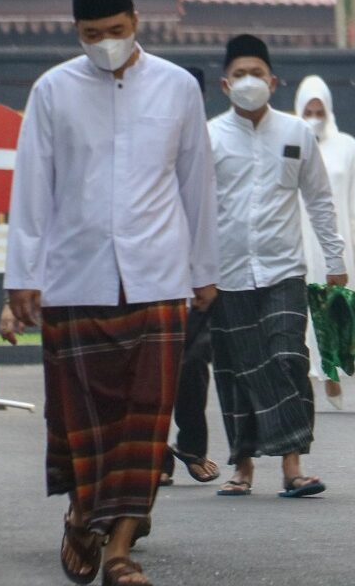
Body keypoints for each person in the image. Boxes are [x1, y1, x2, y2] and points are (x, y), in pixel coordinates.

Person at [5, 0, 219, 586]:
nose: (105, 43)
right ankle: (81, 516)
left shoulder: (178, 88)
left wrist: (205, 271)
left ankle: (121, 547)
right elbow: (32, 186)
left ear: (136, 22)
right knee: (83, 419)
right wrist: (24, 274)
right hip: (75, 280)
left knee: (146, 422)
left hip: (157, 278)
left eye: (115, 31)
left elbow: (195, 183)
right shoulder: (52, 91)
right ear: (77, 33)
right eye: (91, 35)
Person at [207, 35, 347, 499]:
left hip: (283, 269)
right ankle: (242, 467)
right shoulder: (208, 137)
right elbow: (194, 207)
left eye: (257, 74)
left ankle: (293, 466)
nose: (250, 82)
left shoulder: (296, 133)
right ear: (225, 84)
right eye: (240, 75)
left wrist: (335, 260)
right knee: (236, 370)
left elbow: (320, 200)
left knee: (289, 358)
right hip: (225, 273)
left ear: (274, 81)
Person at [295, 75, 355, 409]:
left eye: (320, 110)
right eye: (308, 110)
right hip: (299, 238)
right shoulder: (291, 143)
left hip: (336, 239)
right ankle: (310, 370)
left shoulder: (346, 145)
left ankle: (330, 371)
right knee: (302, 306)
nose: (314, 116)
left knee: (333, 305)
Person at [160, 66, 220, 487]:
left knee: (194, 364)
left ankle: (194, 449)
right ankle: (156, 458)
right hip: (155, 271)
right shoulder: (154, 139)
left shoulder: (218, 139)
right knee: (151, 370)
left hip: (200, 274)